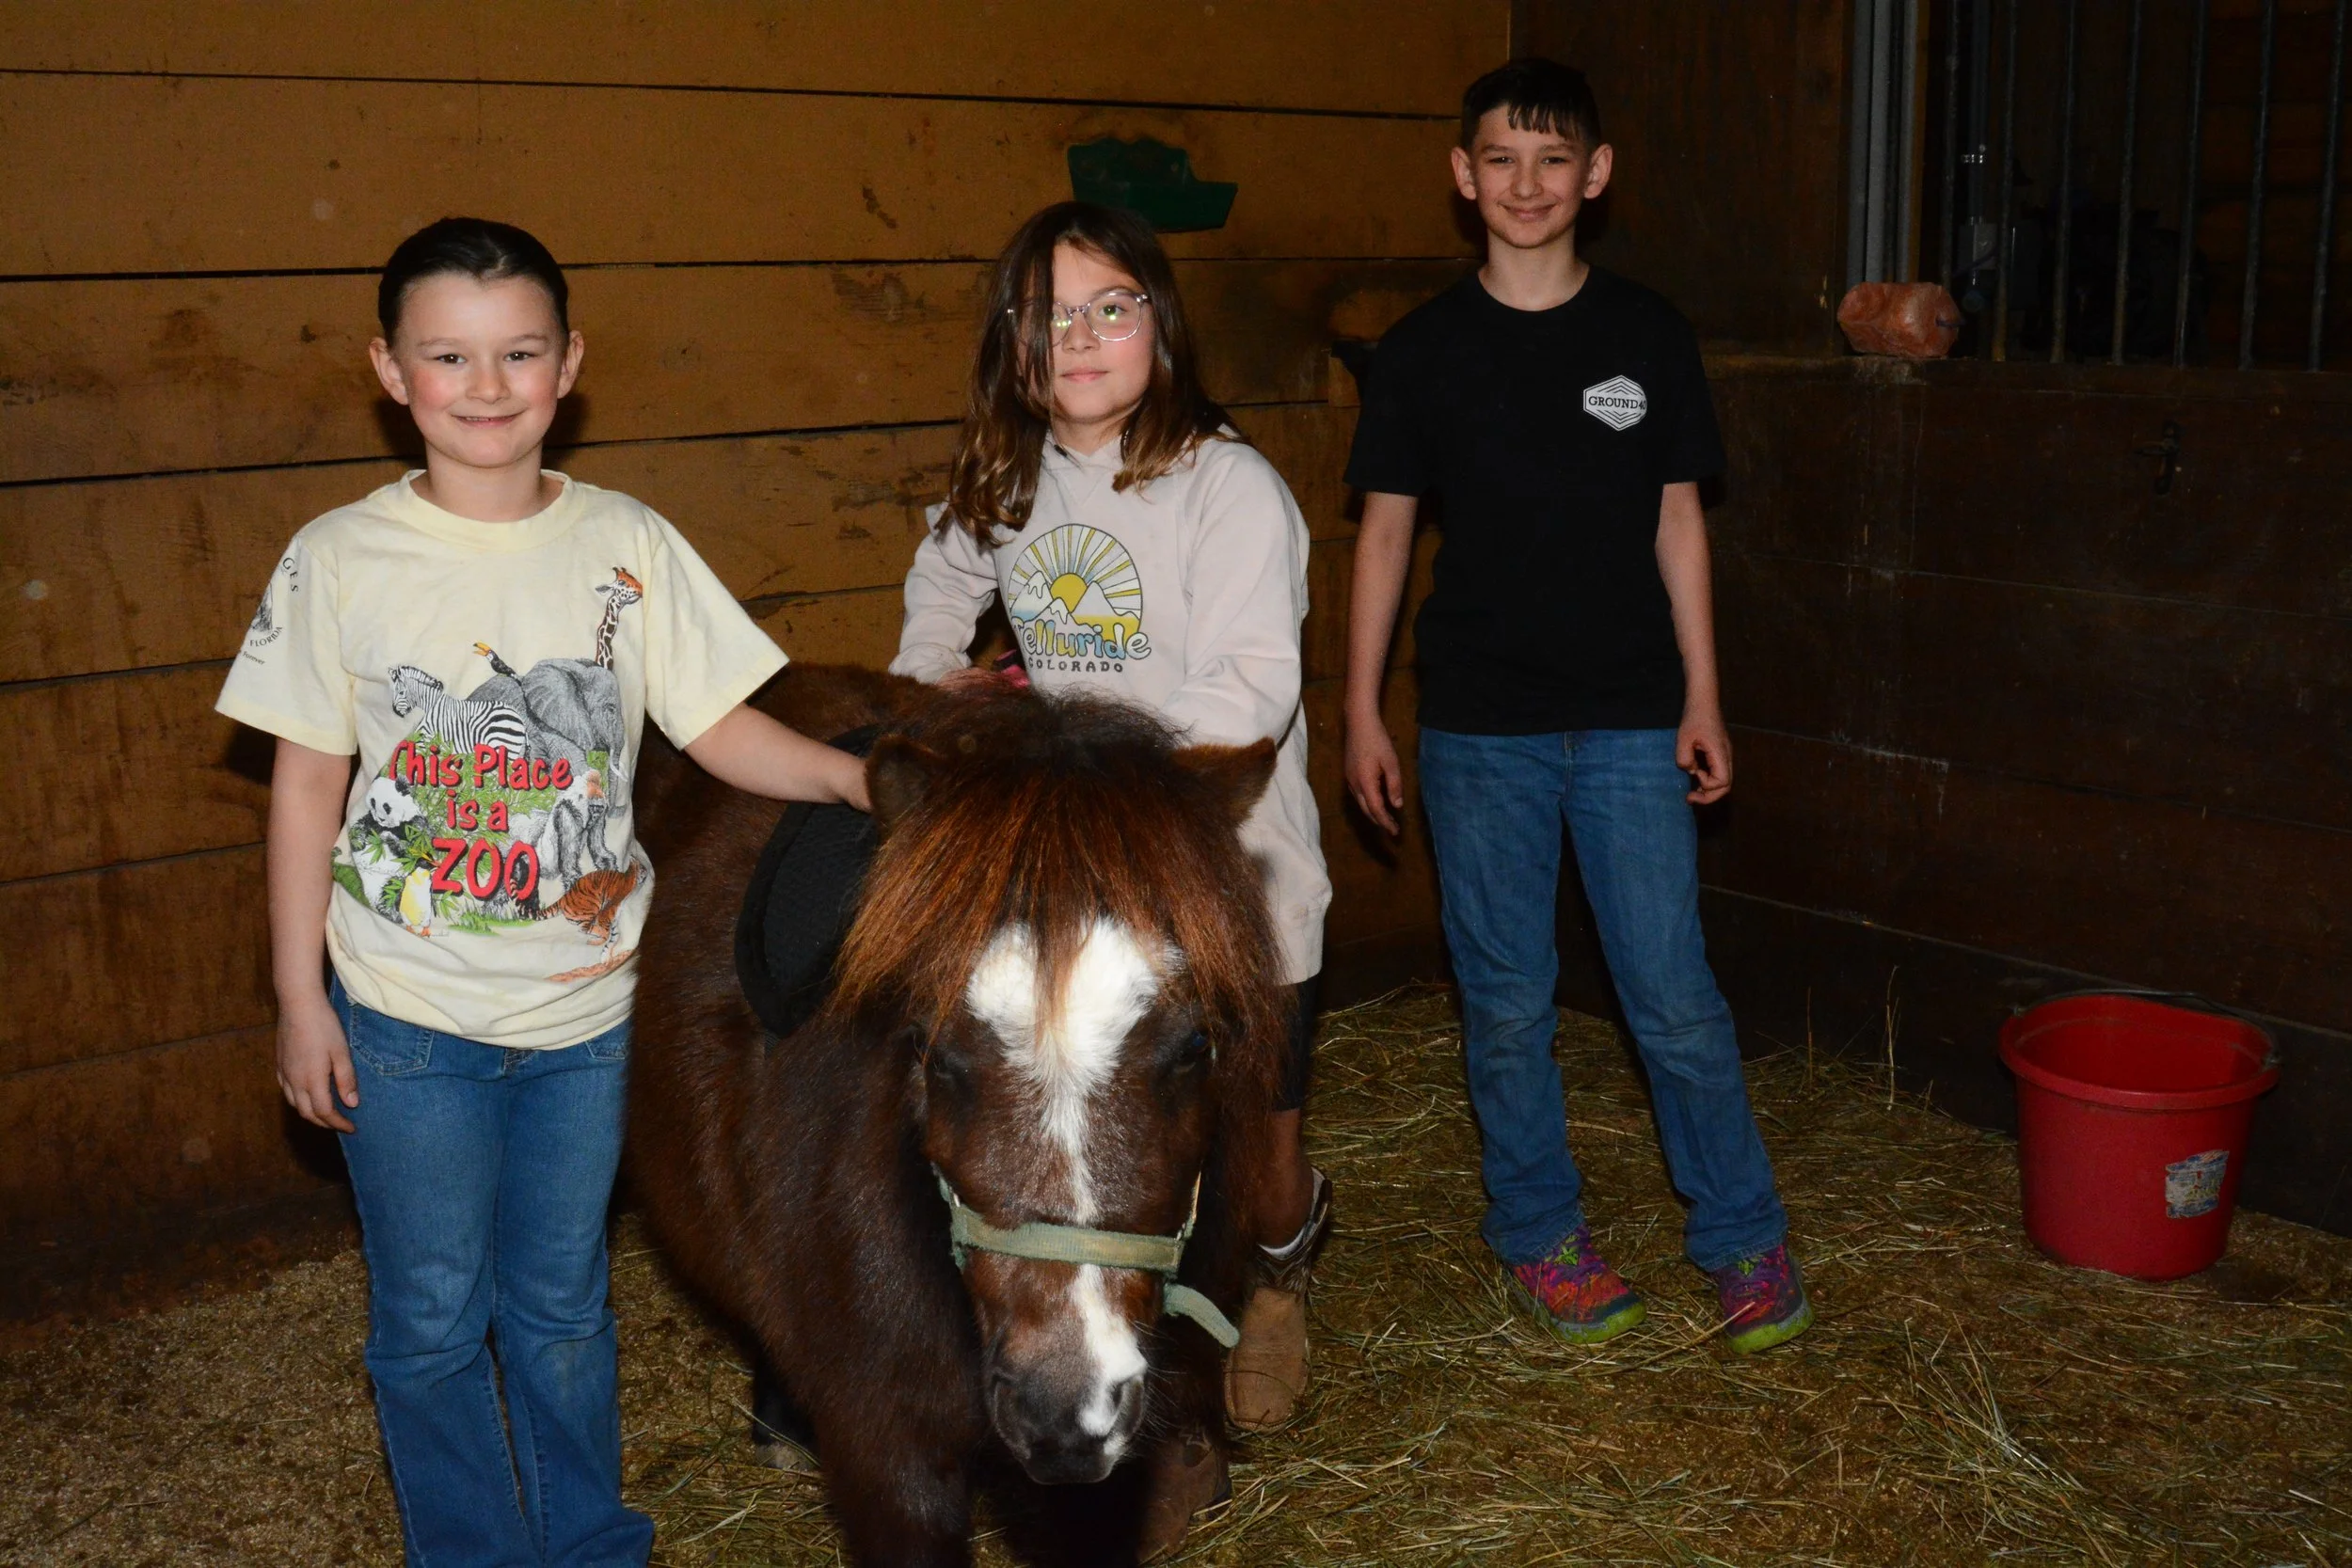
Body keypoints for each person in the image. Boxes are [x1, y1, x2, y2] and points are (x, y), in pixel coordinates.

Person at [217, 217, 867, 1568]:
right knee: (432, 1319)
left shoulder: (627, 541)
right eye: (449, 354)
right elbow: (305, 782)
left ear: (569, 363)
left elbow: (714, 724)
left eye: (519, 352)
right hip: (405, 1015)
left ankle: (588, 1546)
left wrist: (854, 780)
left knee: (564, 1307)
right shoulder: (338, 556)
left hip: (589, 1015)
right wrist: (299, 995)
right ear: (390, 370)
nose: (487, 384)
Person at [1341, 60, 1812, 1355]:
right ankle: (1541, 1231)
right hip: (1478, 725)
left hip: (1631, 719)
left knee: (1673, 994)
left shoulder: (1647, 334)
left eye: (1555, 159)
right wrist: (1362, 711)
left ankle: (1742, 1235)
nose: (1528, 183)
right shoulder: (1424, 351)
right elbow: (1384, 537)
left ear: (1596, 174)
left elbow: (1679, 520)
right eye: (1501, 157)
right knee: (1506, 1002)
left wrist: (1704, 693)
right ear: (1463, 174)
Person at [890, 201, 1332, 1544]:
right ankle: (1172, 1408)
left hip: (1227, 865)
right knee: (1120, 1159)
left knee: (1252, 1160)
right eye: (1047, 317)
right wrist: (943, 694)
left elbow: (1246, 689)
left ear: (1161, 325)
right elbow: (933, 601)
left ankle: (1281, 1275)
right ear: (1011, 345)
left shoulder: (1224, 486)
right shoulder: (1004, 478)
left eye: (1111, 308)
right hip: (1081, 883)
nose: (1079, 339)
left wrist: (1080, 767)